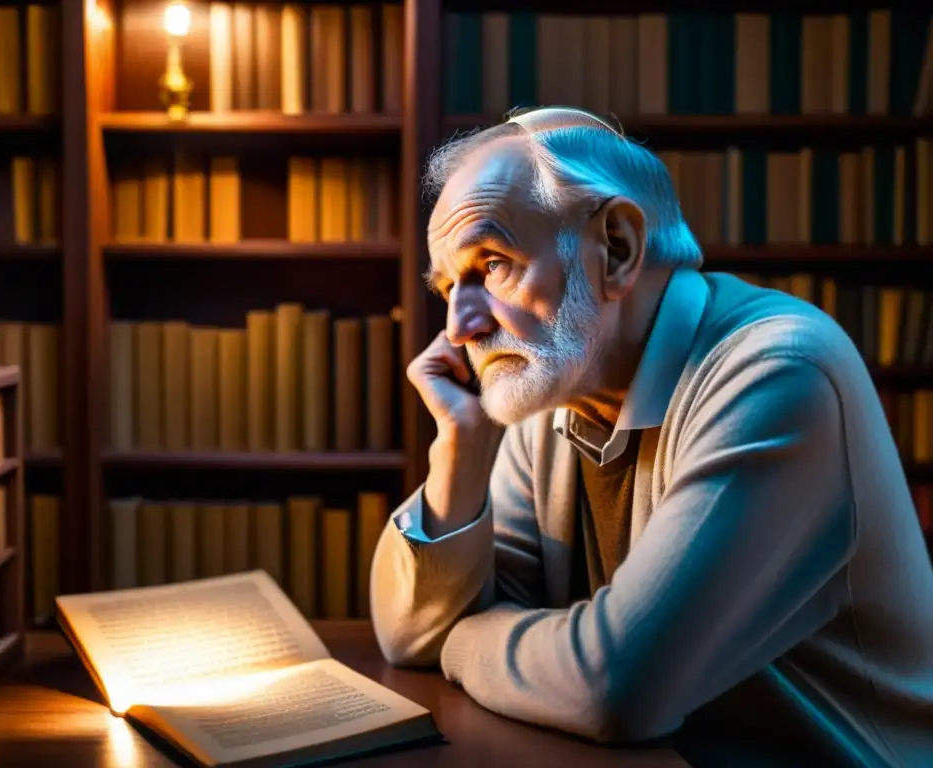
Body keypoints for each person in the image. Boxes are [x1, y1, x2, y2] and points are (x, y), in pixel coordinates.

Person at [368, 106, 933, 767]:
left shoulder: (780, 372)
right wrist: (457, 455)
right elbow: (410, 636)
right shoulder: (559, 391)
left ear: (618, 248)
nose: (459, 326)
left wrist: (462, 640)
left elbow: (615, 687)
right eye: (448, 286)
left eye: (492, 263)